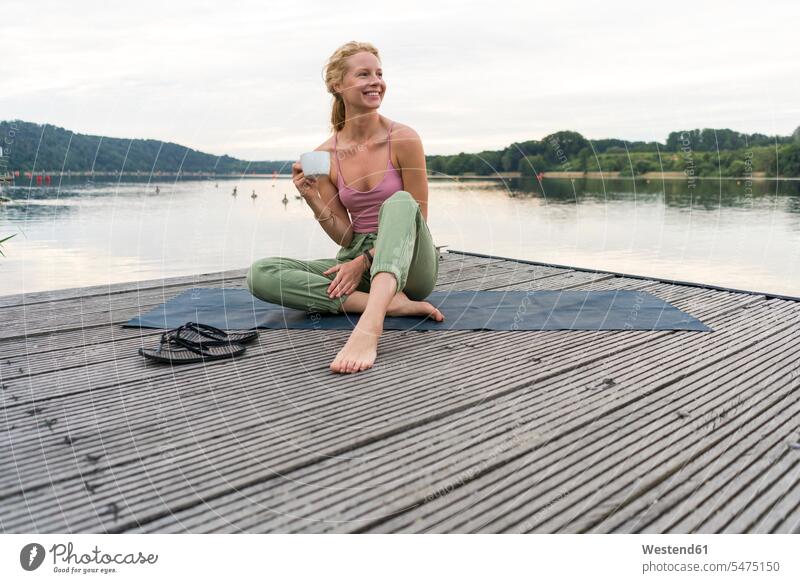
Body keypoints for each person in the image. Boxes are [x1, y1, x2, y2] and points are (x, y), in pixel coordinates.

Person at [246, 41, 443, 374]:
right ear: (337, 86)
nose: (376, 82)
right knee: (261, 274)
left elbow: (417, 217)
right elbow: (346, 235)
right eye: (363, 74)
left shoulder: (404, 138)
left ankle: (370, 324)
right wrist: (312, 197)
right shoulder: (324, 156)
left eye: (379, 74)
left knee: (400, 202)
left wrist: (365, 259)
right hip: (357, 257)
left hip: (410, 261)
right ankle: (386, 304)